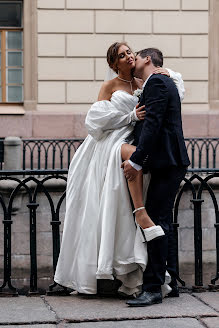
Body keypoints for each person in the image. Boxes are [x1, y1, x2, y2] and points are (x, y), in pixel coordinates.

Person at [54, 42, 185, 296]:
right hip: (113, 139)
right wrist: (130, 117)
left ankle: (141, 242)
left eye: (129, 53)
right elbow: (95, 121)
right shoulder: (110, 86)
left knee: (145, 189)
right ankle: (138, 214)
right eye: (122, 55)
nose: (127, 57)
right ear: (114, 64)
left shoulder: (144, 82)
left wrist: (165, 71)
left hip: (137, 141)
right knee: (130, 165)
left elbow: (173, 83)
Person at [120, 48, 190, 306]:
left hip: (167, 162)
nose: (132, 61)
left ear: (147, 59)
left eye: (135, 56)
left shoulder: (158, 82)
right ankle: (167, 282)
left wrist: (136, 162)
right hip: (168, 161)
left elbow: (154, 123)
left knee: (155, 220)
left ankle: (152, 289)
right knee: (163, 221)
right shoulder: (161, 81)